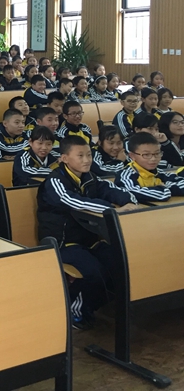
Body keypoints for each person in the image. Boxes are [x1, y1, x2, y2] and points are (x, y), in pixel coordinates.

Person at [37, 136, 138, 328]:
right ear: (64, 158)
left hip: (89, 239)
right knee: (94, 271)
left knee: (120, 262)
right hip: (62, 242)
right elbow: (73, 201)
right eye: (80, 156)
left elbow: (110, 189)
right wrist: (111, 209)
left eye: (89, 155)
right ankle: (76, 312)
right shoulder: (55, 180)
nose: (87, 160)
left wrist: (128, 201)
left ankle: (97, 305)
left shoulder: (89, 177)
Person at [115, 132, 184, 201]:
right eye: (146, 154)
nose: (153, 158)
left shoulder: (158, 172)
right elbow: (132, 191)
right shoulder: (126, 175)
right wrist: (164, 189)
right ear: (132, 156)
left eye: (157, 153)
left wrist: (165, 187)